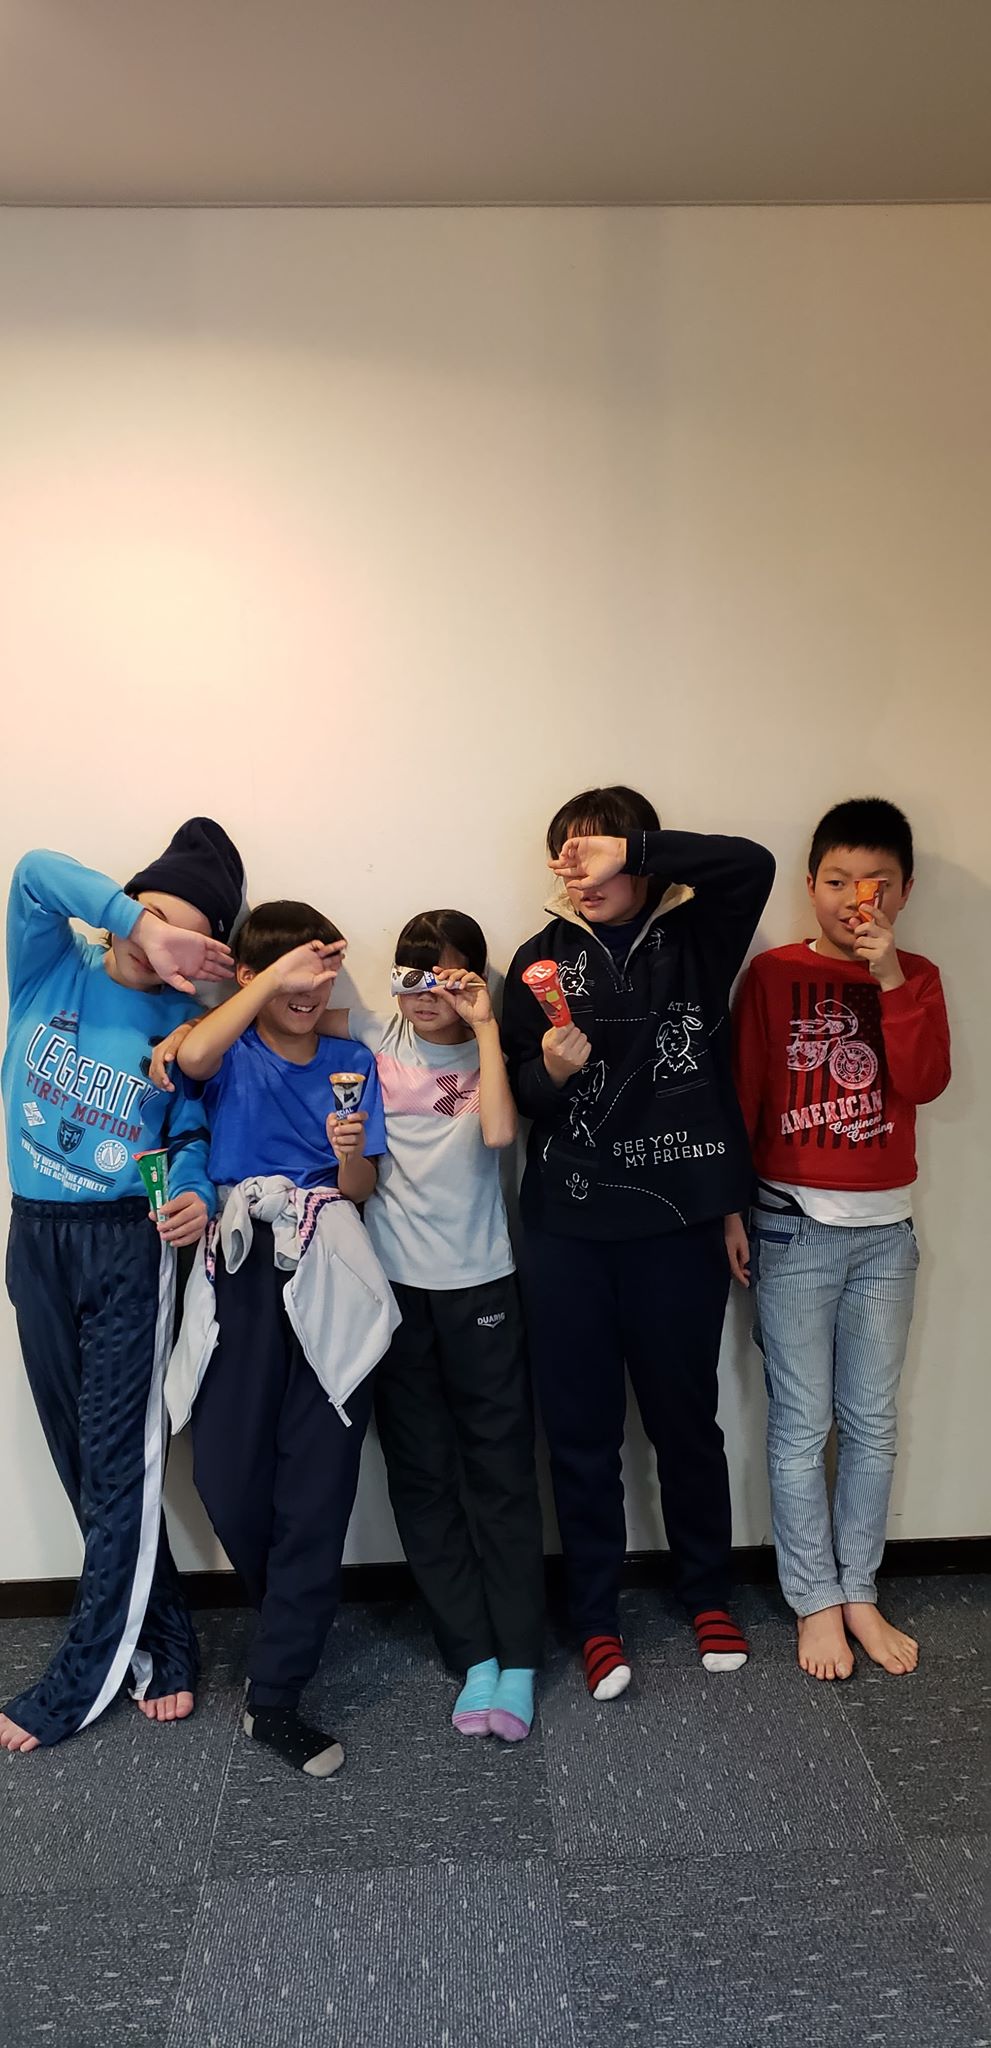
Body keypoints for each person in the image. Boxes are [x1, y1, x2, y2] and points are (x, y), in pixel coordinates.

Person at [501, 786, 775, 1702]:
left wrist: (636, 848)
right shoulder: (538, 959)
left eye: (597, 855)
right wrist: (548, 1073)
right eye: (565, 856)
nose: (579, 872)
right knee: (580, 1435)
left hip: (678, 1222)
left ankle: (706, 1593)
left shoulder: (698, 936)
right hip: (568, 1228)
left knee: (684, 1423)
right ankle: (594, 1616)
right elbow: (517, 1095)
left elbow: (751, 864)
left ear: (635, 857)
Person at [0, 817, 244, 1753]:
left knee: (118, 1462)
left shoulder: (185, 1029)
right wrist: (142, 925)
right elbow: (33, 870)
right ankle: (166, 1638)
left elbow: (189, 1136)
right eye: (154, 919)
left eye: (191, 935)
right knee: (78, 1455)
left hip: (125, 1248)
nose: (165, 946)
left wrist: (192, 1192)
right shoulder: (49, 966)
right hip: (35, 1236)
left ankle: (81, 1676)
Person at [725, 797, 951, 1681]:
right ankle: (813, 1598)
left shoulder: (916, 975)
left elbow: (923, 1081)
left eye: (876, 884)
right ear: (809, 884)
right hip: (791, 1226)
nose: (856, 900)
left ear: (903, 890)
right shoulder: (773, 975)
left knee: (870, 1423)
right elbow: (744, 1094)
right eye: (836, 881)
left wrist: (887, 975)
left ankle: (858, 1587)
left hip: (886, 1234)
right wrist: (730, 1211)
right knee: (799, 1425)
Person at [170, 900, 394, 1776]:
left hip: (331, 1260)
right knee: (225, 1476)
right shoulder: (226, 1052)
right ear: (256, 976)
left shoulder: (351, 1062)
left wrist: (348, 1153)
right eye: (294, 975)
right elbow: (191, 1059)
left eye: (322, 976)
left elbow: (362, 1185)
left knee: (318, 1478)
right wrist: (271, 979)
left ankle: (275, 1695)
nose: (310, 992)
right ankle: (289, 1620)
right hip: (240, 1262)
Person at [323, 910, 545, 1743]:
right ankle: (472, 1655)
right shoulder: (374, 1036)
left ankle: (518, 1657)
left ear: (472, 982)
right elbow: (284, 1012)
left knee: (500, 1471)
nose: (422, 994)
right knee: (420, 1476)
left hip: (481, 1283)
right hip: (393, 1292)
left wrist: (484, 1026)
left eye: (443, 978)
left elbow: (498, 1133)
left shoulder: (491, 1050)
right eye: (409, 975)